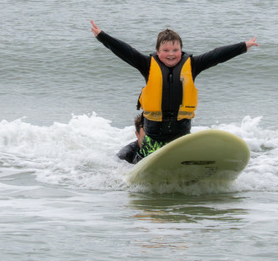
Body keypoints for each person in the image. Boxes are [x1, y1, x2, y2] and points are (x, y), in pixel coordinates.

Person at [91, 20, 258, 160]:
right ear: (157, 51)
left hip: (181, 135)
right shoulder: (147, 65)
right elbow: (125, 51)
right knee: (144, 161)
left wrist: (243, 46)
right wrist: (102, 36)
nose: (171, 54)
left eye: (175, 50)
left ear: (181, 50)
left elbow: (217, 55)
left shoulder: (193, 65)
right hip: (154, 134)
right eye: (166, 50)